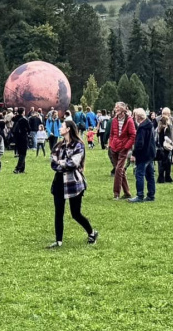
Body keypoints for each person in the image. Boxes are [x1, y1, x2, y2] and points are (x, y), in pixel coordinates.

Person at [47, 119, 98, 248]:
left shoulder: (78, 145)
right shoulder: (58, 145)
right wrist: (63, 163)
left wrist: (61, 162)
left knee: (75, 213)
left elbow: (73, 163)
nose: (60, 128)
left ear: (68, 129)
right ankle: (58, 241)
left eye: (62, 126)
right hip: (59, 181)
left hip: (74, 183)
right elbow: (53, 163)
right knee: (59, 212)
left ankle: (92, 233)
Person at [108, 102, 136, 200]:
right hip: (114, 148)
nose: (116, 109)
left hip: (123, 148)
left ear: (123, 109)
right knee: (120, 170)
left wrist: (126, 147)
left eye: (118, 108)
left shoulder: (129, 121)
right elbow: (112, 134)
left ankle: (116, 193)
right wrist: (111, 144)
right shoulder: (114, 120)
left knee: (118, 170)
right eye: (115, 108)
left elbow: (133, 136)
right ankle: (127, 193)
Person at [129, 108, 157, 203]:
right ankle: (151, 195)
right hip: (150, 154)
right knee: (150, 175)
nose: (134, 117)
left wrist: (134, 154)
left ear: (138, 117)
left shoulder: (142, 127)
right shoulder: (150, 124)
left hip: (143, 155)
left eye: (135, 116)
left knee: (139, 174)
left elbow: (139, 144)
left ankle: (140, 195)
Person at [157, 112, 173, 184]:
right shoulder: (166, 128)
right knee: (165, 163)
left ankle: (163, 177)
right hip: (166, 147)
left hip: (161, 147)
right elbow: (166, 137)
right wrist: (171, 142)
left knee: (164, 162)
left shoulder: (160, 128)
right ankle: (164, 178)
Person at [12, 108, 31, 174]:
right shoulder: (24, 119)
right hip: (23, 137)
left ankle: (22, 169)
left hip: (17, 137)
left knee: (20, 153)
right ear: (23, 112)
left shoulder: (15, 118)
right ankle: (18, 168)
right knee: (23, 153)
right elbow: (29, 129)